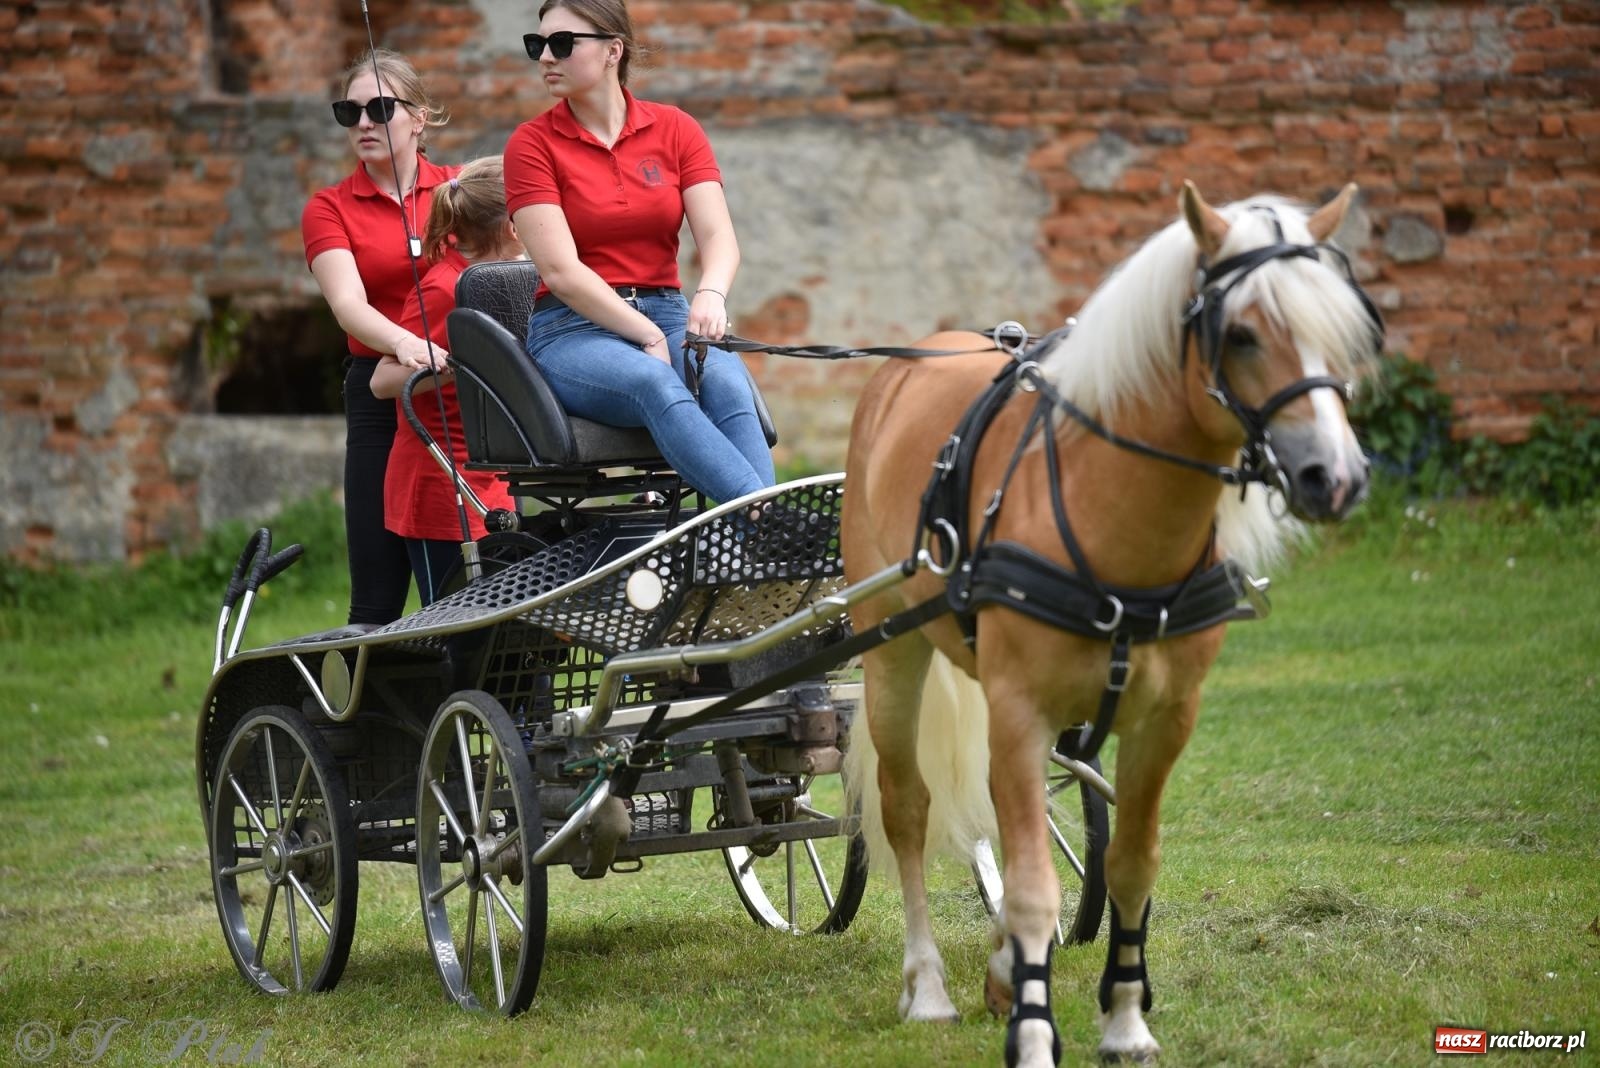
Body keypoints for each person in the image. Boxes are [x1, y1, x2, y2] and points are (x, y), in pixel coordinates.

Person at [503, 0, 775, 506]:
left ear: (613, 51)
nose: (544, 57)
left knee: (729, 385)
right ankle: (766, 526)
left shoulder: (676, 128)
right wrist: (644, 333)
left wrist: (711, 295)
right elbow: (560, 272)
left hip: (670, 312)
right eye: (536, 44)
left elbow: (718, 239)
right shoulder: (531, 144)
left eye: (561, 43)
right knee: (655, 381)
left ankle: (747, 553)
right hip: (573, 329)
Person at [301, 49, 459, 626]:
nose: (363, 123)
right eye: (351, 111)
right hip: (378, 394)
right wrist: (409, 344)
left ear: (418, 117)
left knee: (468, 582)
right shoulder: (329, 207)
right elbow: (348, 306)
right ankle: (371, 715)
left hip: (459, 394)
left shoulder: (458, 190)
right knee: (376, 588)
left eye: (380, 108)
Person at [370, 157, 520, 606]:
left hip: (494, 479)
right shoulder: (444, 289)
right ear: (514, 226)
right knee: (460, 636)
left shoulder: (502, 280)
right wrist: (452, 363)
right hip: (444, 484)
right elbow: (381, 380)